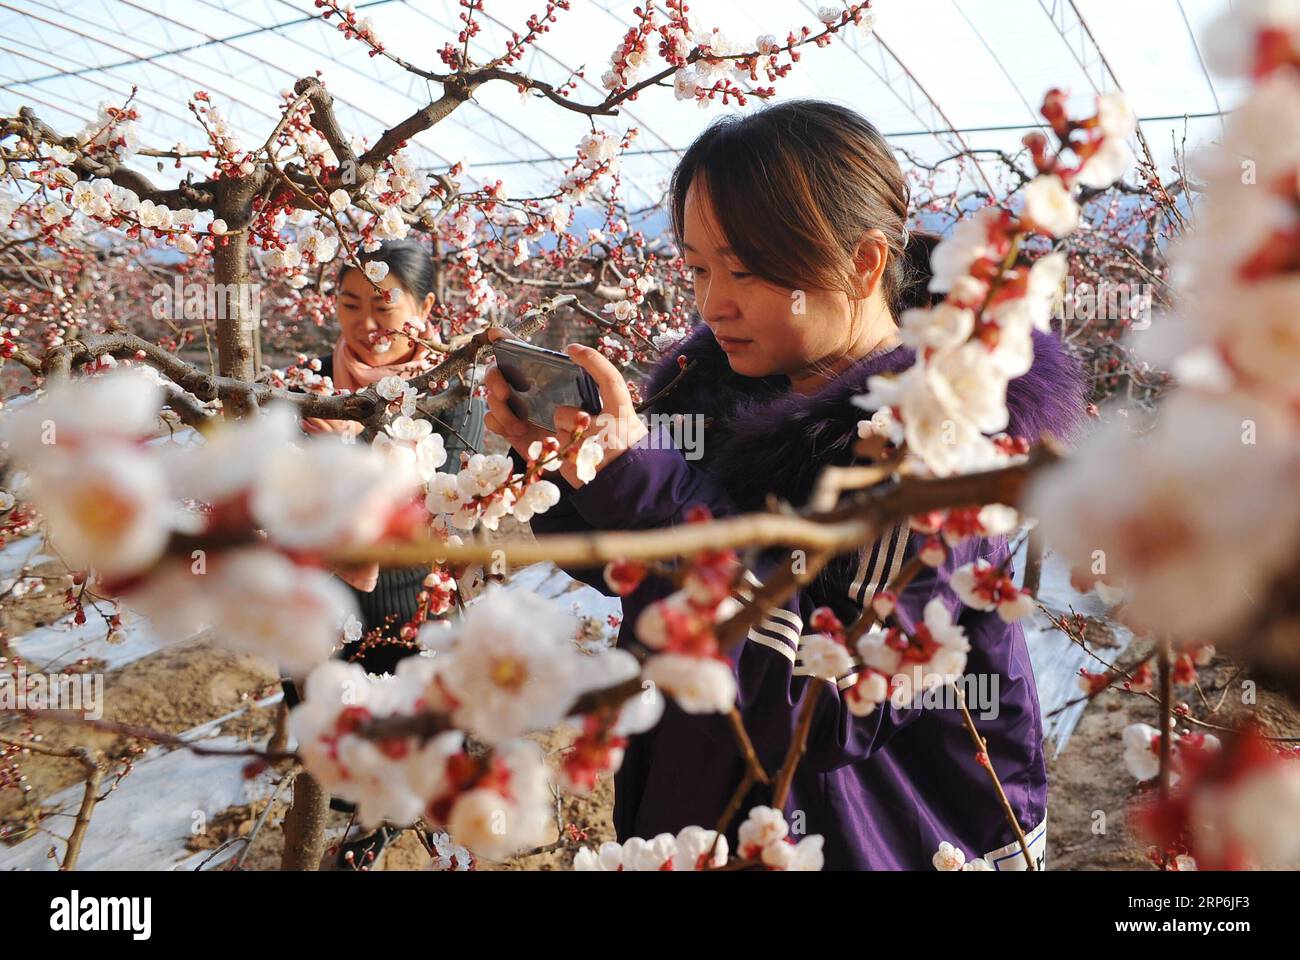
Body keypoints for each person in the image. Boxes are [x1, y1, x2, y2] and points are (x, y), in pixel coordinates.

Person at [483, 101, 1087, 870]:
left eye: (745, 270)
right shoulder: (712, 395)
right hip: (703, 812)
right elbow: (626, 569)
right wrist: (577, 471)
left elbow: (815, 704)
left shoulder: (930, 454)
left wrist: (645, 488)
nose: (711, 304)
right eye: (698, 269)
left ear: (863, 263)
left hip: (872, 838)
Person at [286, 240, 485, 866]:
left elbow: (435, 509)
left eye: (382, 305)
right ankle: (353, 825)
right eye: (349, 305)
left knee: (411, 740)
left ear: (425, 306)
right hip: (321, 603)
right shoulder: (311, 385)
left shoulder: (456, 393)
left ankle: (404, 822)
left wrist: (348, 454)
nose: (365, 325)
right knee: (333, 738)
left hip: (414, 606)